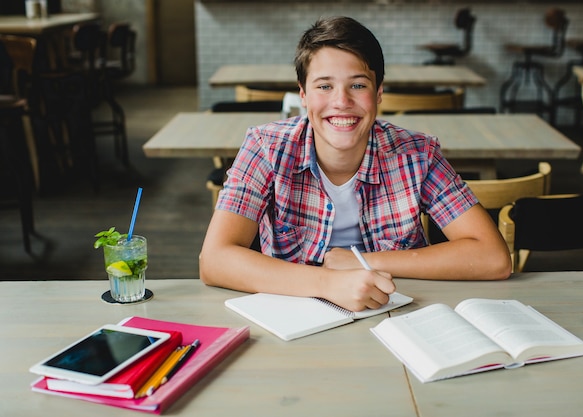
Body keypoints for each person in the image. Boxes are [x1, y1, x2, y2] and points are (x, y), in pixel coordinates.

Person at [200, 16, 511, 312]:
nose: (341, 101)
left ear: (378, 93)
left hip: (399, 309)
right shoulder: (266, 148)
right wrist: (328, 283)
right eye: (324, 86)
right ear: (303, 95)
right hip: (295, 316)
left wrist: (364, 261)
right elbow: (214, 261)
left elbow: (493, 258)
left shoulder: (417, 154)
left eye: (358, 85)